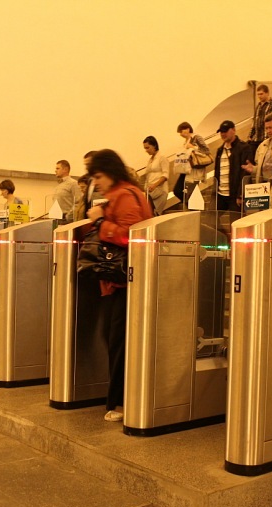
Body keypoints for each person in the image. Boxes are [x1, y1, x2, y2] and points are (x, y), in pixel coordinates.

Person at [84, 149, 153, 421]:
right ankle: (117, 400)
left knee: (119, 342)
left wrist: (100, 221)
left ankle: (121, 403)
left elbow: (130, 235)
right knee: (113, 340)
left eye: (98, 176)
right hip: (118, 282)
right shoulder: (121, 194)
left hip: (124, 282)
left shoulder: (125, 195)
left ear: (111, 172)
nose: (96, 183)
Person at [213, 120, 253, 212]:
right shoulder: (220, 150)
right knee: (210, 217)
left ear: (234, 130)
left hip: (235, 195)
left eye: (225, 131)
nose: (223, 134)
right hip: (220, 194)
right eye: (221, 132)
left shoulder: (244, 148)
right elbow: (217, 172)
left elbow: (245, 174)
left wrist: (241, 195)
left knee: (236, 219)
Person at [172, 121, 212, 207]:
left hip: (194, 169)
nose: (181, 134)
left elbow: (207, 150)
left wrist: (193, 147)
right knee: (177, 190)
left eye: (181, 131)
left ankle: (193, 206)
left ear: (187, 129)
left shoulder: (196, 137)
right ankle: (191, 205)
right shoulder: (186, 141)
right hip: (186, 169)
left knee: (188, 192)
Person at [141, 136, 169, 216]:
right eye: (145, 148)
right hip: (150, 192)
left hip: (160, 191)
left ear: (154, 146)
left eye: (147, 148)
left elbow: (165, 175)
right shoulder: (150, 160)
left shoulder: (162, 157)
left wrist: (154, 185)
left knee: (155, 215)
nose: (146, 150)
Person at [248, 85, 272, 150]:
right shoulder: (258, 106)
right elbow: (254, 122)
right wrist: (250, 135)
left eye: (261, 94)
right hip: (256, 138)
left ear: (267, 93)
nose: (259, 96)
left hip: (266, 137)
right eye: (258, 94)